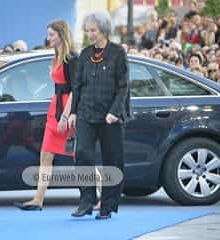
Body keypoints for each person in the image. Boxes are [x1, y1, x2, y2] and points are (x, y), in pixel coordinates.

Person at [69, 11, 130, 220]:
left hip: (109, 117)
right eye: (87, 31)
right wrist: (73, 112)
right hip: (86, 113)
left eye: (93, 30)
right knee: (83, 155)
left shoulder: (118, 53)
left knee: (112, 161)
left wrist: (114, 112)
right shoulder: (85, 54)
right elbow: (77, 86)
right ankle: (86, 201)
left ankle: (107, 205)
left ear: (104, 30)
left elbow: (123, 87)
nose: (90, 34)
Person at [14, 20, 77, 211]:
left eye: (51, 34)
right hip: (55, 107)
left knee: (81, 157)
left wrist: (66, 116)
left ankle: (103, 196)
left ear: (61, 35)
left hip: (67, 110)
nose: (48, 38)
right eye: (48, 34)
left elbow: (76, 90)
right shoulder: (56, 55)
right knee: (45, 155)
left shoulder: (71, 58)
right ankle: (38, 199)